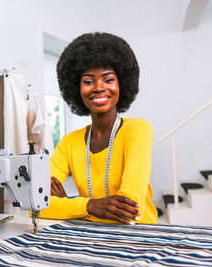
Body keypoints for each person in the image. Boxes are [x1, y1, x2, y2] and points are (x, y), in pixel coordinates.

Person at [39, 32, 157, 224]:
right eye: (88, 81)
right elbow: (37, 203)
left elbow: (130, 209)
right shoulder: (70, 142)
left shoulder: (138, 130)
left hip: (140, 238)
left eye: (108, 79)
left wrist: (67, 205)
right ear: (76, 88)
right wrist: (91, 206)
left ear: (122, 83)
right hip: (92, 237)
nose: (99, 87)